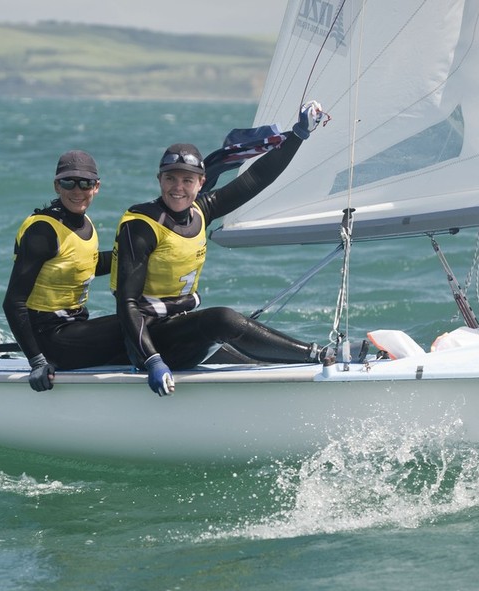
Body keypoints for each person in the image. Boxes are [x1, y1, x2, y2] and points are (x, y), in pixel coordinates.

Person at [111, 102, 326, 397]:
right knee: (221, 320)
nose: (178, 187)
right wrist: (152, 360)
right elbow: (127, 303)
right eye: (170, 178)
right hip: (148, 341)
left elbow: (254, 180)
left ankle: (313, 359)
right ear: (159, 179)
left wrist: (299, 135)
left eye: (187, 180)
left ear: (200, 183)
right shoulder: (142, 225)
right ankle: (317, 354)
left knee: (247, 352)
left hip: (180, 332)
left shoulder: (200, 211)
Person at [3, 150, 128, 392]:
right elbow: (13, 302)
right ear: (57, 186)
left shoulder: (85, 223)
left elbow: (89, 264)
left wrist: (137, 254)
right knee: (136, 322)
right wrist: (37, 361)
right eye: (68, 182)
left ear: (96, 186)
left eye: (85, 183)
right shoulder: (43, 231)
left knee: (148, 326)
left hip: (74, 329)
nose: (77, 190)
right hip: (51, 340)